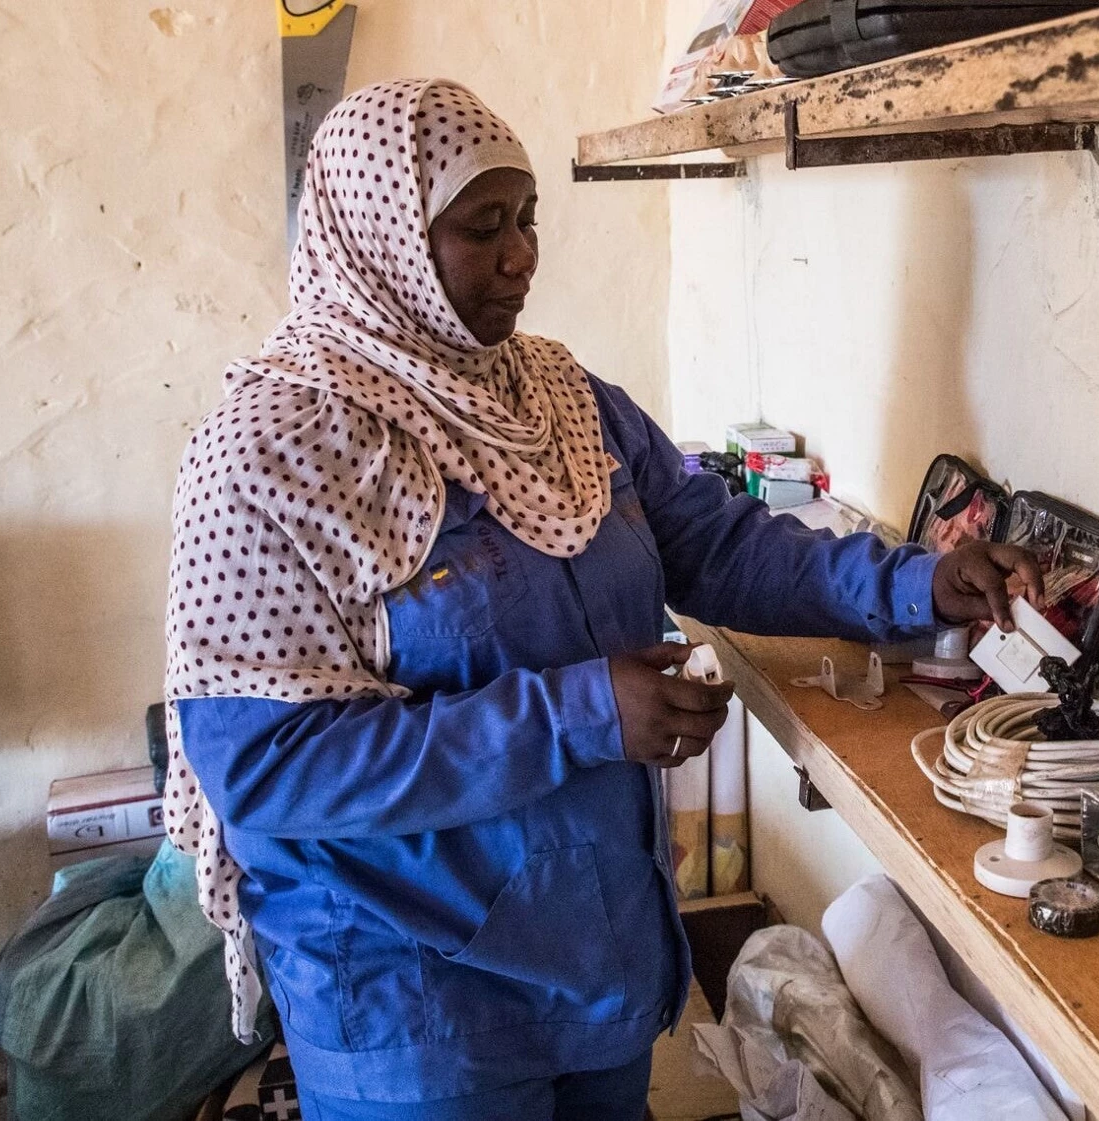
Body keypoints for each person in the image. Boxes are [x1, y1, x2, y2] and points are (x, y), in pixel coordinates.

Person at [160, 78, 1041, 1121]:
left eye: (528, 218)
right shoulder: (273, 451)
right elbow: (265, 766)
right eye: (483, 227)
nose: (521, 256)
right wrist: (579, 714)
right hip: (416, 1009)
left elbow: (715, 543)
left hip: (594, 964)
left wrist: (916, 581)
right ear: (380, 237)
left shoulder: (559, 399)